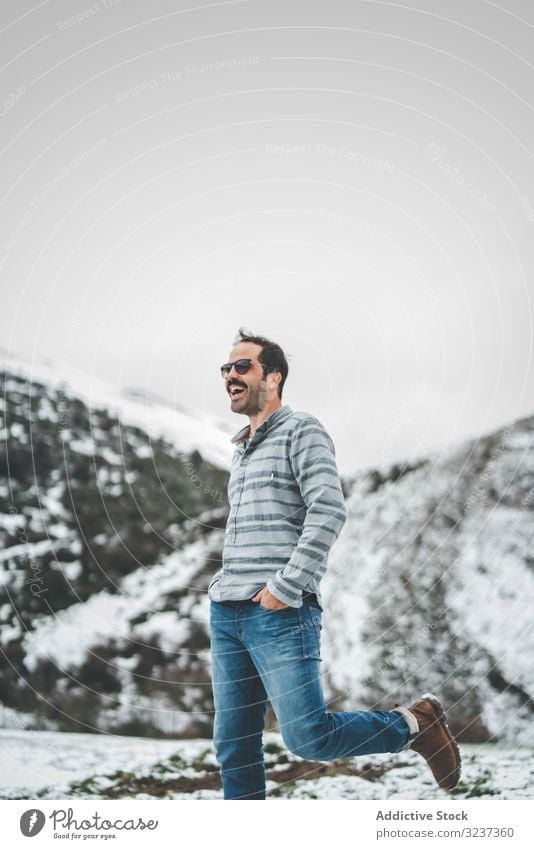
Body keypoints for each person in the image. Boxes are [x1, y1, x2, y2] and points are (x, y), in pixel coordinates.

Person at [208, 327, 461, 800]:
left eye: (242, 366)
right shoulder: (240, 449)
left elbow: (328, 509)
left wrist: (288, 584)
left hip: (278, 610)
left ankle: (415, 725)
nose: (230, 375)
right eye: (226, 368)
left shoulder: (302, 429)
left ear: (274, 377)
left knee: (308, 737)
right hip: (227, 611)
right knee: (233, 746)